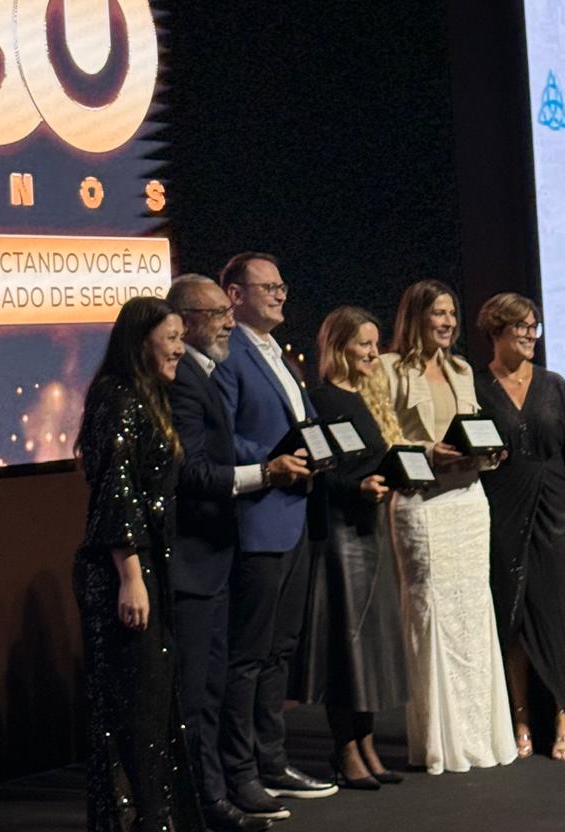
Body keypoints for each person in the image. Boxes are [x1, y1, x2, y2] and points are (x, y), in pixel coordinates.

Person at [167, 274, 308, 832]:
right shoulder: (193, 376)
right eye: (219, 313)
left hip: (251, 529)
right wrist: (268, 469)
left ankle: (244, 777)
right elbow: (200, 463)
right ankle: (224, 785)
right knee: (218, 676)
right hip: (215, 541)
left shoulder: (220, 365)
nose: (228, 320)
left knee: (256, 660)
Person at [214, 252, 338, 819]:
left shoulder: (279, 353)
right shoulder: (229, 354)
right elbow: (221, 438)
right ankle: (239, 772)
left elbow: (303, 425)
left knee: (280, 650)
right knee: (248, 654)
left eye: (283, 286)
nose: (280, 295)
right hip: (258, 517)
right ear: (234, 295)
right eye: (268, 287)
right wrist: (273, 459)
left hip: (294, 516)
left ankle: (273, 760)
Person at [73, 296, 203, 832]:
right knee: (132, 710)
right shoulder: (116, 396)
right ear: (139, 340)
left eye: (181, 338)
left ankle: (157, 818)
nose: (180, 349)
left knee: (152, 706)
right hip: (125, 573)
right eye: (171, 338)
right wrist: (131, 577)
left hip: (151, 567)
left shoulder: (150, 397)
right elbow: (117, 491)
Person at [381, 280, 515, 775]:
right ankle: (439, 741)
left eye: (452, 313)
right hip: (422, 505)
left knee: (473, 613)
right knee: (430, 613)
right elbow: (383, 438)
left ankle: (479, 735)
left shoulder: (460, 370)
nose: (448, 322)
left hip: (468, 501)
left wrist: (490, 452)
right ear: (416, 316)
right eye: (438, 313)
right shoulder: (391, 369)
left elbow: (472, 429)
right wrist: (427, 451)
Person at [475, 292, 565, 762]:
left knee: (558, 613)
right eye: (521, 327)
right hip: (502, 507)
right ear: (497, 330)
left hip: (556, 508)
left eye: (533, 327)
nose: (530, 335)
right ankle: (520, 717)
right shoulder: (477, 387)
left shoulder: (553, 384)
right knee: (514, 616)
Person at [299, 306, 407, 790]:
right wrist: (356, 488)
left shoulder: (367, 396)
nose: (372, 352)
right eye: (363, 343)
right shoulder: (321, 399)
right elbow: (321, 471)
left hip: (372, 531)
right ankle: (344, 749)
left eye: (375, 344)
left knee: (372, 644)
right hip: (341, 535)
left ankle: (366, 742)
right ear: (339, 345)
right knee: (347, 644)